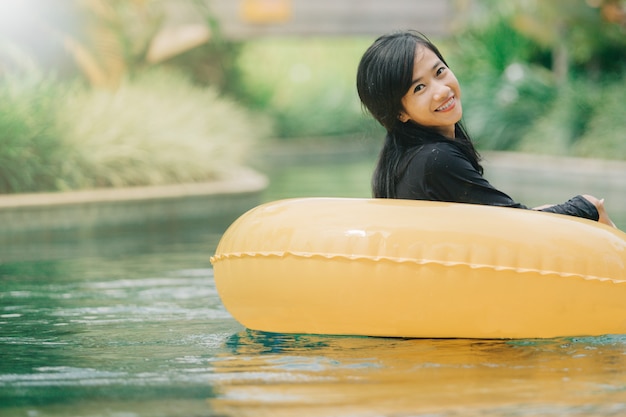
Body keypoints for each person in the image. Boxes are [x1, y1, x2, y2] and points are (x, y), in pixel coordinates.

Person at [356, 30, 616, 227]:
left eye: (440, 71)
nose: (442, 90)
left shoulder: (405, 159)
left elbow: (504, 217)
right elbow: (516, 225)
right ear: (398, 112)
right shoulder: (434, 161)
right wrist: (587, 207)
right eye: (419, 88)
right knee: (591, 209)